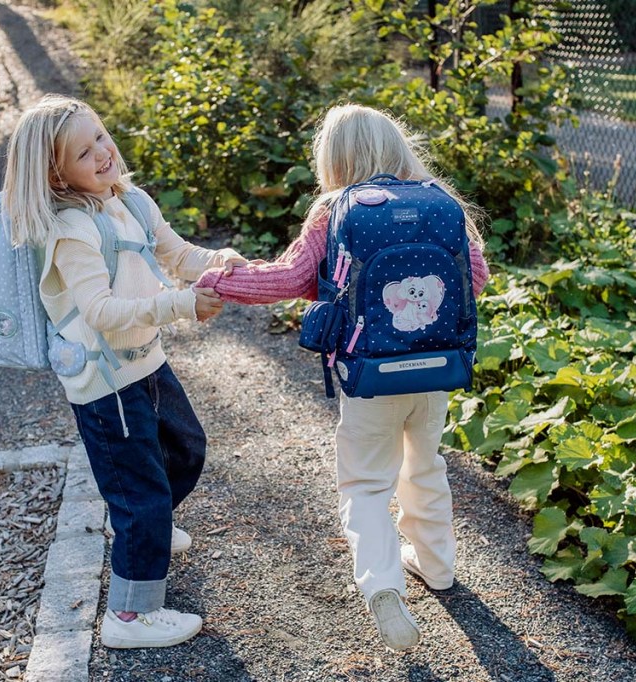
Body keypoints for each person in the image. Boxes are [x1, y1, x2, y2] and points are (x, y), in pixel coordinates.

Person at [195, 104, 490, 651]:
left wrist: (220, 280)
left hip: (370, 377)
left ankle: (382, 587)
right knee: (425, 464)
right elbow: (476, 278)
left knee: (366, 481)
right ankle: (439, 567)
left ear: (333, 160)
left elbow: (288, 278)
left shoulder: (334, 210)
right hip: (436, 369)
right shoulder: (439, 202)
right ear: (397, 146)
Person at [3, 94, 247, 648]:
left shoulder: (129, 200)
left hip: (145, 361)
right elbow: (100, 313)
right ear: (55, 174)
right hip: (105, 379)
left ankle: (143, 529)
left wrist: (216, 261)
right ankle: (129, 617)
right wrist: (181, 306)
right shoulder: (71, 229)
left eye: (102, 137)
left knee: (186, 448)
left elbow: (177, 255)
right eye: (84, 152)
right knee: (140, 490)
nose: (103, 153)